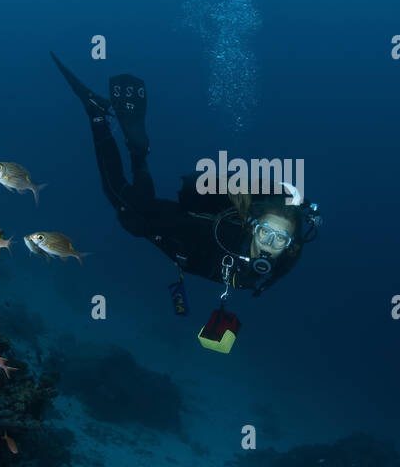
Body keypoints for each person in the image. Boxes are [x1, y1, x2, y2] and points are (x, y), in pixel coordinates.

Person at [52, 52, 316, 298]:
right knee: (118, 195)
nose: (270, 243)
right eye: (265, 232)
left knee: (141, 201)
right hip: (177, 227)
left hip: (180, 244)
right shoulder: (226, 234)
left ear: (290, 246)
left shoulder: (287, 260)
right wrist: (146, 227)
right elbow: (179, 224)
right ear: (252, 228)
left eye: (279, 238)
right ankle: (97, 115)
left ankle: (138, 150)